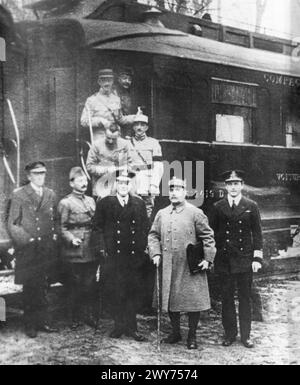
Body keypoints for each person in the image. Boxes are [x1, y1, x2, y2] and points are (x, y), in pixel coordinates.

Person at [148, 177, 216, 349]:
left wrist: (208, 259)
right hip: (168, 266)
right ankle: (176, 332)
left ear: (185, 192)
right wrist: (155, 253)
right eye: (171, 189)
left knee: (193, 302)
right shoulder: (162, 213)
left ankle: (192, 336)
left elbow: (208, 237)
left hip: (189, 265)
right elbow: (153, 235)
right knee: (171, 301)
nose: (174, 193)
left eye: (178, 189)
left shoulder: (195, 212)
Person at [93, 170, 148, 341]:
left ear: (131, 185)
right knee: (116, 291)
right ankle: (118, 326)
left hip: (133, 256)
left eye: (127, 183)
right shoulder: (105, 203)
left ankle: (132, 328)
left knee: (132, 291)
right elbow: (96, 228)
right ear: (116, 184)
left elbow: (145, 228)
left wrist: (143, 247)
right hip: (114, 256)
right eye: (121, 183)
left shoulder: (138, 204)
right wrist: (102, 249)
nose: (124, 186)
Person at [210, 170, 263, 349]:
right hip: (224, 260)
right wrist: (211, 257)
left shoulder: (251, 205)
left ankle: (246, 336)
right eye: (230, 183)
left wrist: (257, 258)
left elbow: (257, 233)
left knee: (245, 298)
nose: (233, 187)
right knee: (226, 299)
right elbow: (213, 234)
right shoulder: (218, 206)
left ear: (242, 185)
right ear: (226, 186)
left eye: (236, 183)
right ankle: (230, 334)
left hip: (244, 260)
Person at [7, 161, 59, 338]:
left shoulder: (50, 194)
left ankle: (43, 321)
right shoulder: (19, 195)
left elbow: (55, 219)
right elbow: (12, 223)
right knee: (30, 287)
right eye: (36, 174)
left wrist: (54, 236)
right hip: (28, 248)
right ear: (29, 176)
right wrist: (27, 239)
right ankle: (30, 324)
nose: (40, 176)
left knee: (44, 285)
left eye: (43, 173)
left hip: (45, 248)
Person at [58, 167, 99, 329]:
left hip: (91, 248)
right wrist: (71, 239)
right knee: (75, 284)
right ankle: (75, 316)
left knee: (89, 284)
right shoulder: (65, 203)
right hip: (74, 250)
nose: (84, 183)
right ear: (71, 183)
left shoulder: (91, 201)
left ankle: (87, 315)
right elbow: (61, 227)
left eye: (85, 180)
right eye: (80, 180)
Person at [81, 69, 135, 141]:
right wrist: (100, 121)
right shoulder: (91, 100)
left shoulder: (116, 99)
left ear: (112, 82)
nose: (107, 83)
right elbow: (84, 121)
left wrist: (135, 117)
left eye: (109, 80)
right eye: (103, 80)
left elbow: (120, 119)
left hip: (115, 135)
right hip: (100, 137)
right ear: (99, 82)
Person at [130, 110, 164, 219]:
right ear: (133, 127)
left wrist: (154, 185)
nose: (139, 128)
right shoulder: (126, 143)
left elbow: (158, 165)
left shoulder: (154, 143)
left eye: (142, 125)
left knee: (146, 210)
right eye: (136, 125)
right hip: (132, 180)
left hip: (147, 180)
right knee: (130, 208)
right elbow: (123, 164)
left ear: (147, 128)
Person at [86, 124, 134, 199]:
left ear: (119, 135)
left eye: (114, 139)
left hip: (120, 185)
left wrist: (121, 170)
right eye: (108, 138)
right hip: (101, 184)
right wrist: (106, 169)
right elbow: (89, 166)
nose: (110, 141)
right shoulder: (96, 145)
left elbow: (131, 164)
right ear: (105, 134)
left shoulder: (124, 144)